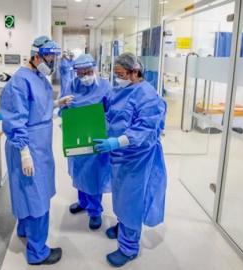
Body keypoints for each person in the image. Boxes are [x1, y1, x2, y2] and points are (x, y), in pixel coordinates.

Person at [0, 36, 73, 265]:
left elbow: (37, 109)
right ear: (35, 56)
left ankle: (24, 229)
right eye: (49, 56)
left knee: (28, 191)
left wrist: (57, 104)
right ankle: (38, 252)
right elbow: (16, 121)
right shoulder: (20, 82)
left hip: (40, 145)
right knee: (36, 196)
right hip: (28, 146)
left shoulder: (39, 77)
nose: (52, 61)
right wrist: (24, 151)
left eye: (54, 57)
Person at [94, 52, 167, 267]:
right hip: (120, 156)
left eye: (121, 74)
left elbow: (144, 130)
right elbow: (108, 105)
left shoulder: (148, 95)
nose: (118, 79)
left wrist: (116, 142)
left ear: (135, 72)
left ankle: (128, 248)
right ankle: (122, 225)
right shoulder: (123, 88)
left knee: (131, 200)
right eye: (116, 74)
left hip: (137, 157)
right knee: (121, 195)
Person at [60, 54, 112, 230]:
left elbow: (112, 111)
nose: (85, 76)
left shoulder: (105, 86)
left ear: (94, 69)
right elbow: (62, 111)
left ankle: (95, 212)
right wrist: (64, 109)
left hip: (96, 137)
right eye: (81, 74)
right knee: (79, 172)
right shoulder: (71, 86)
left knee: (94, 176)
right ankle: (83, 202)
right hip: (76, 137)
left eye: (88, 72)